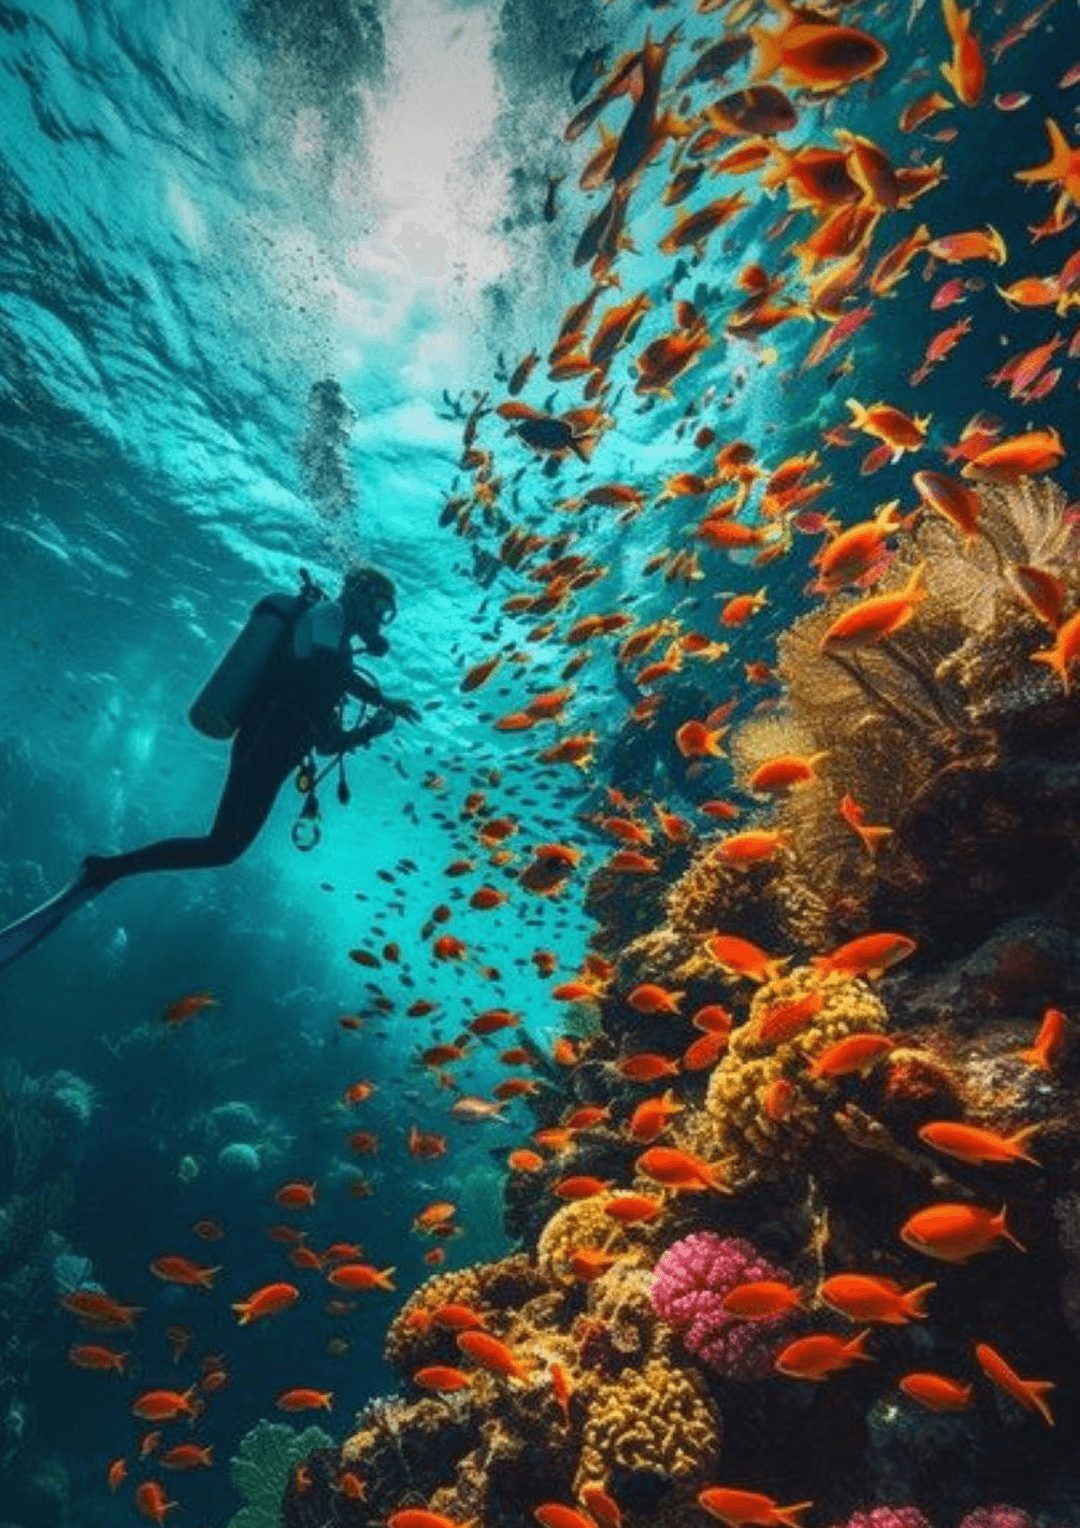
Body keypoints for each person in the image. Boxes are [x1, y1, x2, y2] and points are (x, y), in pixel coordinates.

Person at [0, 565, 417, 969]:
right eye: (380, 608)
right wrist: (384, 701)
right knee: (221, 845)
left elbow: (327, 744)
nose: (380, 621)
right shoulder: (328, 616)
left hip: (283, 752)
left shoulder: (342, 655)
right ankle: (106, 870)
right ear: (359, 593)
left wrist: (370, 732)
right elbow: (327, 671)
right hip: (266, 737)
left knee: (224, 849)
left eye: (386, 615)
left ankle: (107, 869)